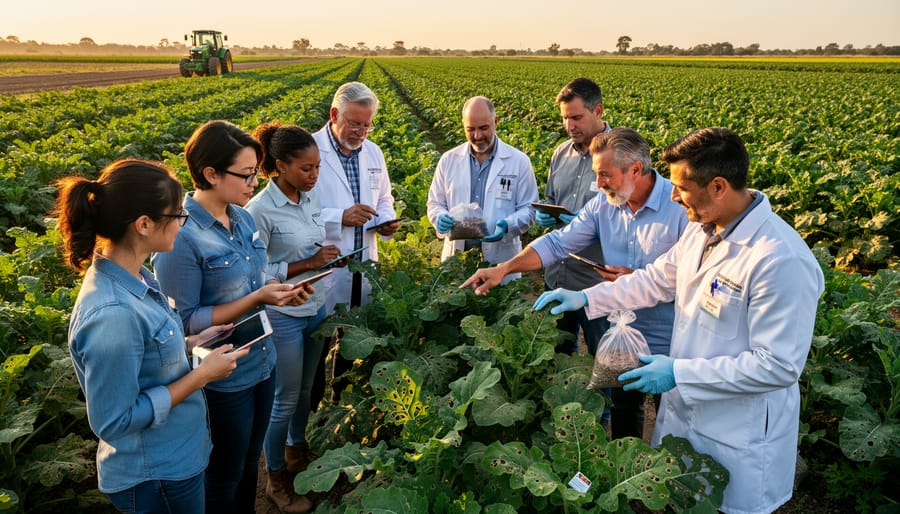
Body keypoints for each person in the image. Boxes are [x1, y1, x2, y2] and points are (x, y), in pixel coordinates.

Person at [533, 127, 825, 514]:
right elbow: (655, 280)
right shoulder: (701, 231)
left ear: (718, 187)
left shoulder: (780, 259)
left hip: (739, 436)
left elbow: (778, 365)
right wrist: (588, 297)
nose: (672, 196)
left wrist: (680, 374)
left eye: (682, 188)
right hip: (689, 420)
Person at [462, 128, 688, 439]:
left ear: (635, 169)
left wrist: (634, 278)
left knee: (675, 421)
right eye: (596, 174)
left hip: (670, 340)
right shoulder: (603, 206)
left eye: (605, 174)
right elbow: (558, 243)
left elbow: (693, 277)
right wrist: (504, 269)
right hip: (620, 334)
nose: (599, 184)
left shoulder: (681, 208)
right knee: (624, 411)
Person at [60, 159, 248, 513]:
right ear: (144, 224)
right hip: (156, 474)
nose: (182, 223)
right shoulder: (112, 314)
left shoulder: (137, 276)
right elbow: (115, 421)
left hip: (175, 455)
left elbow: (145, 357)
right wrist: (201, 376)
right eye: (177, 215)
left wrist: (191, 343)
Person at [152, 121, 309, 514]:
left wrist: (279, 291)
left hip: (262, 360)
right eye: (246, 174)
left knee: (249, 462)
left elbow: (257, 276)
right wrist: (257, 297)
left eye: (256, 172)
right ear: (211, 174)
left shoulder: (242, 218)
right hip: (221, 377)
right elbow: (182, 322)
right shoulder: (181, 236)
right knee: (224, 473)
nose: (254, 183)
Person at [246, 122, 341, 513]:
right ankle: (275, 478)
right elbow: (254, 272)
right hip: (282, 313)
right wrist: (308, 263)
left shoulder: (311, 198)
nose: (314, 175)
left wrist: (326, 260)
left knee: (305, 390)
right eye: (306, 168)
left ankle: (296, 448)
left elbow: (312, 247)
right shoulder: (258, 211)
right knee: (283, 399)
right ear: (281, 165)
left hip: (315, 305)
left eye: (317, 167)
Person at [427, 96, 538, 280]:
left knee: (501, 297)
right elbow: (435, 203)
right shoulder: (448, 160)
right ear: (463, 126)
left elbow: (529, 209)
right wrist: (439, 217)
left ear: (495, 122)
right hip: (457, 259)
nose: (477, 136)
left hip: (501, 259)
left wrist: (507, 225)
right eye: (470, 129)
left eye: (483, 128)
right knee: (456, 294)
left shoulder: (519, 161)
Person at [539, 78, 612, 355]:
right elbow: (551, 198)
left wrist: (591, 221)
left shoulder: (620, 154)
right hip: (558, 274)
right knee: (557, 354)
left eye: (576, 117)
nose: (569, 125)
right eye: (565, 118)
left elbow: (634, 218)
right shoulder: (561, 153)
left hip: (597, 284)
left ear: (598, 111)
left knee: (604, 358)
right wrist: (547, 214)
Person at [312, 81, 399, 313]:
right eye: (354, 124)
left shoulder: (374, 152)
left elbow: (384, 198)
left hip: (365, 260)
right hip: (327, 264)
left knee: (362, 322)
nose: (361, 133)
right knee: (329, 326)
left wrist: (385, 220)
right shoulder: (310, 150)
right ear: (334, 115)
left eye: (366, 126)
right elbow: (294, 212)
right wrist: (339, 217)